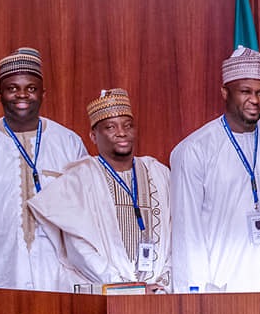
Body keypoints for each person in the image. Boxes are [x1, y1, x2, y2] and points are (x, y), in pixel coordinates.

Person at [170, 47, 260, 292]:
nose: (255, 100)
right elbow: (187, 233)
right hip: (221, 291)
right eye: (245, 92)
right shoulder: (195, 150)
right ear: (225, 92)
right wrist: (195, 298)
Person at [28, 89, 172, 292]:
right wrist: (127, 288)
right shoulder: (79, 178)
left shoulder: (158, 172)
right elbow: (79, 250)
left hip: (159, 294)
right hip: (104, 294)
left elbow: (176, 232)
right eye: (110, 127)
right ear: (93, 136)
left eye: (128, 126)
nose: (122, 133)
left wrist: (162, 284)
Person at [0, 47, 87, 290]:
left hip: (59, 272)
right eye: (12, 88)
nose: (22, 95)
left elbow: (86, 212)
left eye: (31, 88)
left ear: (43, 94)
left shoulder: (67, 142)